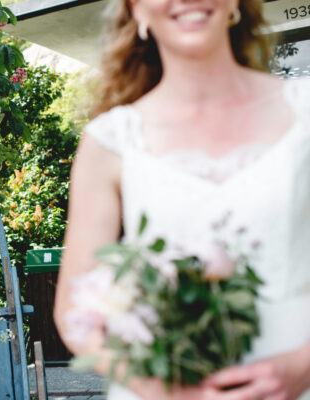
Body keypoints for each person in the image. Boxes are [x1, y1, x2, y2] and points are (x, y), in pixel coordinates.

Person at [53, 0, 310, 397]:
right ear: (137, 10)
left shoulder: (303, 110)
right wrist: (167, 391)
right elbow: (74, 310)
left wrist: (302, 366)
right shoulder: (111, 141)